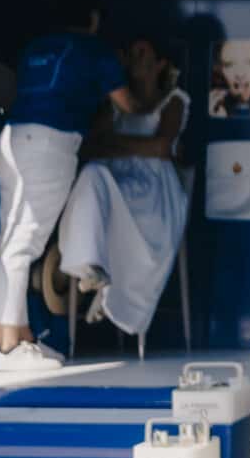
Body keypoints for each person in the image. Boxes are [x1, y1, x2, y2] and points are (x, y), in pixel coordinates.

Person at [0, 0, 134, 374]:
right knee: (23, 244)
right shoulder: (93, 49)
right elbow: (129, 107)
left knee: (11, 238)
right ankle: (6, 346)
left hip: (11, 139)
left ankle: (20, 336)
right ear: (94, 19)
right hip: (49, 143)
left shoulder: (37, 46)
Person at [56, 36, 190, 342]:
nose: (132, 57)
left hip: (155, 193)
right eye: (130, 52)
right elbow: (91, 146)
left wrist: (116, 145)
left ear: (160, 64)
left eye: (142, 52)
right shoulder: (114, 105)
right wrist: (136, 147)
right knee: (91, 174)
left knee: (97, 173)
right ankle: (90, 269)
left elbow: (161, 147)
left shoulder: (174, 100)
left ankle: (111, 291)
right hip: (115, 184)